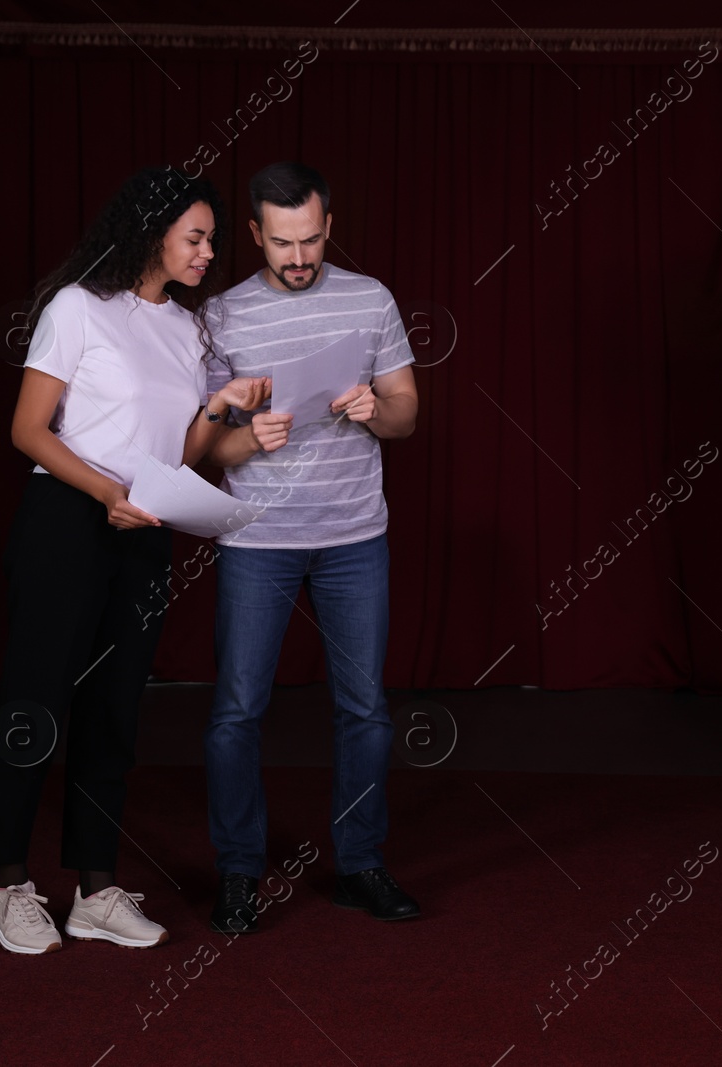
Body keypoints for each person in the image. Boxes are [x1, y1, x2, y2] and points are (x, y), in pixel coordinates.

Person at [0, 168, 268, 954]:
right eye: (196, 237)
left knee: (114, 710)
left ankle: (95, 889)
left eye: (212, 239)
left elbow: (180, 452)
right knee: (37, 703)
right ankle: (3, 881)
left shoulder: (187, 329)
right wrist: (105, 490)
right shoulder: (78, 307)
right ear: (149, 232)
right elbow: (29, 430)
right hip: (67, 519)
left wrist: (217, 408)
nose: (209, 252)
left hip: (144, 525)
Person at [203, 162, 420, 934]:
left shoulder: (371, 299)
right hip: (257, 538)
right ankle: (237, 872)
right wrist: (241, 438)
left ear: (330, 226)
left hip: (355, 534)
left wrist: (372, 410)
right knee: (236, 710)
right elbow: (204, 449)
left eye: (313, 239)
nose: (300, 257)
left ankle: (359, 864)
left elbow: (405, 417)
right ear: (256, 233)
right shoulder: (222, 315)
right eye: (283, 242)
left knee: (364, 710)